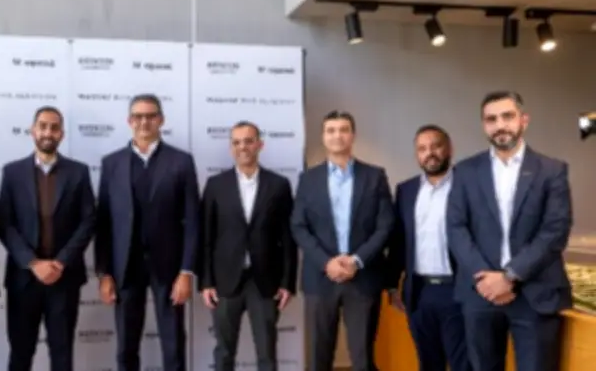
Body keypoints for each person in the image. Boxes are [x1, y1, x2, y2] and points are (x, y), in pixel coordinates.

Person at [447, 91, 573, 371]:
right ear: (484, 125)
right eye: (491, 119)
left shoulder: (552, 170)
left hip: (535, 294)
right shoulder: (465, 171)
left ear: (523, 120)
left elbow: (555, 230)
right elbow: (456, 228)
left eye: (507, 116)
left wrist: (510, 276)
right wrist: (485, 278)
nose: (500, 125)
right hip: (480, 294)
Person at [94, 94, 200, 371]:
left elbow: (192, 220)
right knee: (126, 347)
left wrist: (186, 271)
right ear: (129, 121)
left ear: (161, 120)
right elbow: (103, 222)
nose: (144, 122)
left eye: (151, 116)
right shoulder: (112, 163)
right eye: (138, 116)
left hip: (169, 268)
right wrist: (104, 273)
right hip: (125, 268)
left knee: (173, 345)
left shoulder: (181, 161)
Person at [290, 110, 394, 371]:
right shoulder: (308, 179)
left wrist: (356, 261)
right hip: (320, 278)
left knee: (363, 359)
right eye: (331, 130)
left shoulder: (375, 176)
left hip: (363, 277)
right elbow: (299, 226)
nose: (337, 135)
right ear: (323, 136)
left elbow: (385, 226)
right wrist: (327, 262)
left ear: (353, 135)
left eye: (343, 130)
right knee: (319, 358)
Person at [0, 106, 96, 371]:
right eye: (43, 126)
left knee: (62, 355)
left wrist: (60, 263)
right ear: (33, 131)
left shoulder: (78, 172)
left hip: (64, 279)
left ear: (61, 134)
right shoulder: (12, 172)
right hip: (23, 279)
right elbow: (5, 223)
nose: (48, 132)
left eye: (54, 127)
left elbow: (88, 222)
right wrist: (32, 262)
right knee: (20, 354)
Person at [199, 121, 297, 371]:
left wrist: (287, 282)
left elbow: (288, 238)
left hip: (265, 282)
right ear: (231, 147)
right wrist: (206, 282)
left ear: (259, 144)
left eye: (248, 141)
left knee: (267, 353)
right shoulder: (215, 185)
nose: (242, 147)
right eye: (236, 142)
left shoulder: (279, 185)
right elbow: (206, 237)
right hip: (225, 281)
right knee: (224, 353)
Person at [385, 125, 470, 371]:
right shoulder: (407, 190)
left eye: (436, 146)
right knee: (428, 362)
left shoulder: (468, 185)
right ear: (417, 155)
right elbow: (399, 240)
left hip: (458, 289)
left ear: (449, 148)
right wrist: (393, 284)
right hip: (419, 292)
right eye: (422, 149)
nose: (429, 153)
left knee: (463, 364)